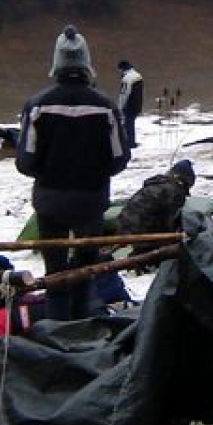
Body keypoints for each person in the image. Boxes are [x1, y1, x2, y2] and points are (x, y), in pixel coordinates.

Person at [16, 25, 130, 320]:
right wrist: (93, 173)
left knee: (54, 274)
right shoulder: (105, 108)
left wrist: (51, 172)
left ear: (56, 64)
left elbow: (25, 161)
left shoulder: (38, 106)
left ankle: (56, 331)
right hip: (91, 200)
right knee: (85, 271)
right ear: (86, 64)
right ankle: (82, 328)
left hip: (50, 201)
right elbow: (120, 158)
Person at [114, 158, 195, 251]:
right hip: (140, 236)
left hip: (122, 227)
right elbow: (170, 222)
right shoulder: (174, 191)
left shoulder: (156, 184)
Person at [117, 59, 145, 149]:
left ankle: (129, 143)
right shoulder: (138, 76)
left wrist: (120, 107)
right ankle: (131, 141)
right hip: (138, 104)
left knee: (128, 124)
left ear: (122, 68)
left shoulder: (127, 78)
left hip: (129, 105)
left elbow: (124, 94)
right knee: (130, 123)